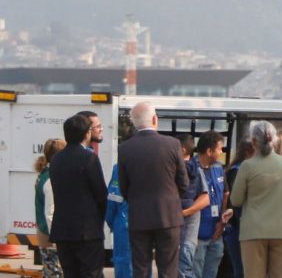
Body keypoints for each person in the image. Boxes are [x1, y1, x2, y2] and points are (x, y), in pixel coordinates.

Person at [118, 102, 189, 278]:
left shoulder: (124, 148)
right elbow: (184, 183)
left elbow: (123, 187)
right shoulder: (172, 144)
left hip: (139, 216)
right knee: (168, 270)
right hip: (168, 216)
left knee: (140, 268)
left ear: (134, 123)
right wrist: (172, 198)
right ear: (155, 119)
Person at [230, 121, 282, 278]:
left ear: (253, 141)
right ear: (274, 140)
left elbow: (236, 200)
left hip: (254, 230)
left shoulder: (247, 166)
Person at [48, 114, 107, 278]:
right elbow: (101, 195)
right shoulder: (89, 158)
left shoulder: (56, 159)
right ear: (86, 133)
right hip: (87, 231)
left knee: (70, 274)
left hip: (62, 230)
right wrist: (99, 220)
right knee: (91, 273)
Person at [188, 132, 228, 278]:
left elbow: (225, 193)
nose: (221, 152)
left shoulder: (218, 168)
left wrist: (221, 223)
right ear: (209, 151)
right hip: (196, 236)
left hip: (216, 233)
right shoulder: (189, 169)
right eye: (219, 149)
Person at [34, 138, 66, 278]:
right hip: (51, 238)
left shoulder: (44, 174)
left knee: (51, 273)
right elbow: (50, 213)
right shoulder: (51, 179)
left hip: (45, 235)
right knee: (55, 274)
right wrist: (58, 239)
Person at [179, 134, 210, 278]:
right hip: (173, 234)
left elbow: (205, 199)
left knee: (184, 269)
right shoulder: (172, 169)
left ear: (183, 149)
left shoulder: (197, 171)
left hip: (187, 234)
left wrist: (185, 212)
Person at [223, 139, 255, 278]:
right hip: (237, 226)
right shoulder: (237, 171)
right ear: (248, 153)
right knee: (241, 269)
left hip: (240, 226)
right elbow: (235, 200)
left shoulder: (236, 169)